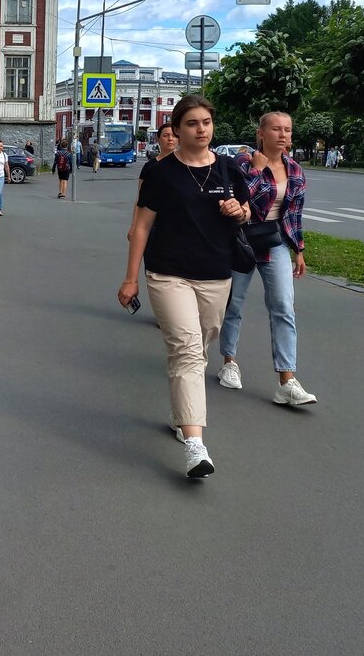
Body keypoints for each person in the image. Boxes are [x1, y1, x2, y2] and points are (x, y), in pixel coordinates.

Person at [117, 95, 250, 479]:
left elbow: (246, 211)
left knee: (199, 346)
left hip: (216, 274)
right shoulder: (162, 172)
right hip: (168, 273)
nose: (201, 129)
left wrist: (238, 211)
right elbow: (141, 227)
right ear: (176, 129)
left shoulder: (228, 168)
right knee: (188, 348)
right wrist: (130, 278)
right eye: (192, 123)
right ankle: (195, 446)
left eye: (206, 122)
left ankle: (183, 414)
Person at [217, 111, 317, 406]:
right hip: (240, 240)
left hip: (274, 244)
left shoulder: (295, 170)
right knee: (233, 305)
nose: (283, 135)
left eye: (287, 129)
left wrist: (298, 249)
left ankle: (287, 381)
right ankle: (229, 363)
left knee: (284, 307)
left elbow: (294, 214)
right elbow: (240, 201)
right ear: (261, 133)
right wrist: (258, 172)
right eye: (276, 129)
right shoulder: (242, 164)